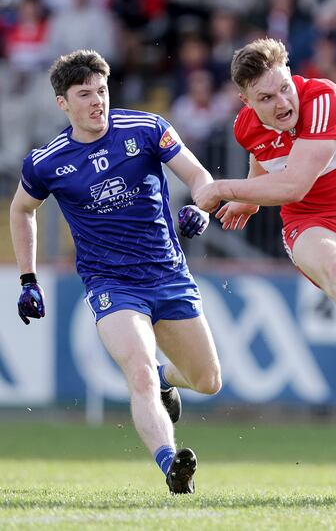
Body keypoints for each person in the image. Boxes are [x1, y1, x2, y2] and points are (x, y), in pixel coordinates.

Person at [192, 38, 336, 501]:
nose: (282, 102)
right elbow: (263, 164)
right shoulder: (245, 126)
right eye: (266, 98)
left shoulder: (325, 97)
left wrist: (220, 189)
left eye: (284, 89)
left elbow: (293, 183)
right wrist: (249, 198)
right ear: (246, 101)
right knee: (333, 267)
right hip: (309, 222)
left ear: (293, 76)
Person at [10, 49, 222, 495]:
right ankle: (171, 465)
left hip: (167, 274)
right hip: (111, 284)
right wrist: (27, 278)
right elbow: (21, 210)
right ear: (62, 103)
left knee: (208, 380)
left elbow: (200, 177)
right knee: (139, 371)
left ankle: (169, 378)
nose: (97, 102)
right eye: (84, 94)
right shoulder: (47, 162)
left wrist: (200, 208)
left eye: (102, 91)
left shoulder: (146, 129)